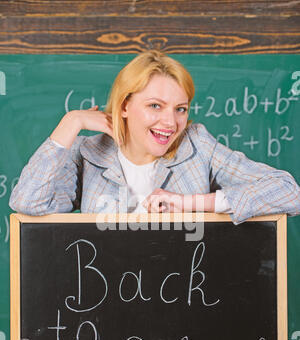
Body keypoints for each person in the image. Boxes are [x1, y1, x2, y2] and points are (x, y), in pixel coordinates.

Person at [9, 50, 300, 224]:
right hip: (103, 311)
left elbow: (288, 191)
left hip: (187, 304)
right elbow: (28, 202)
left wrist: (192, 203)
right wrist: (72, 121)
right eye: (155, 106)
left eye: (180, 109)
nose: (171, 122)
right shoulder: (89, 154)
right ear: (124, 105)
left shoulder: (196, 145)